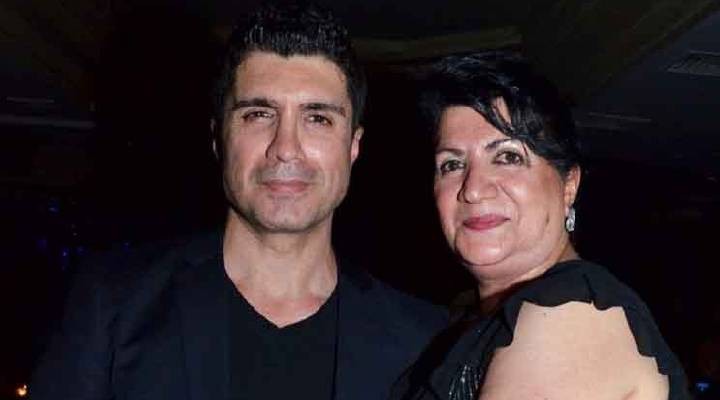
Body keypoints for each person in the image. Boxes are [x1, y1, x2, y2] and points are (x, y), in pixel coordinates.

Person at [30, 4, 446, 400]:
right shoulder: (113, 305)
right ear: (219, 139)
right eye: (258, 114)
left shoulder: (424, 343)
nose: (286, 148)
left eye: (318, 118)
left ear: (353, 146)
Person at [391, 52, 689, 400]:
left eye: (508, 157)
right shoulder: (470, 326)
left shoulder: (570, 314)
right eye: (452, 164)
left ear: (568, 186)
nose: (472, 189)